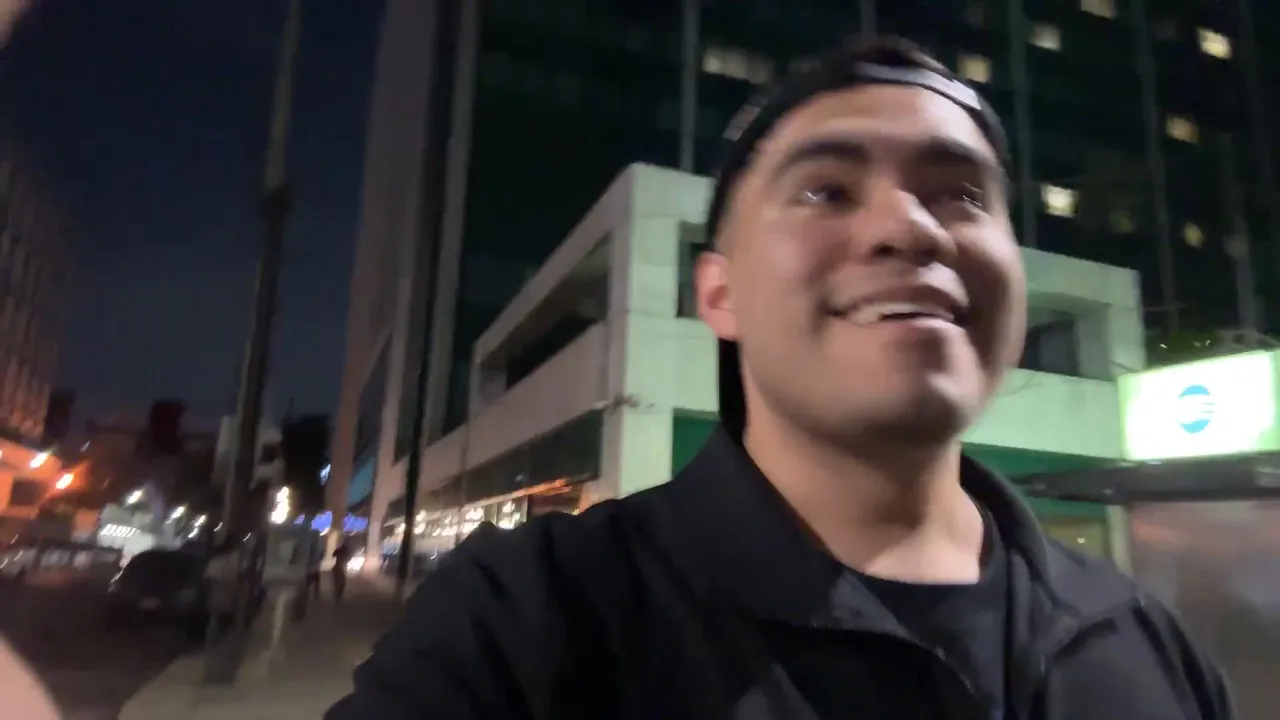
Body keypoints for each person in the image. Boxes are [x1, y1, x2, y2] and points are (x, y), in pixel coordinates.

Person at [327, 37, 1234, 719]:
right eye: (826, 190)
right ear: (718, 294)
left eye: (960, 193)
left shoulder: (1147, 641)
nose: (912, 229)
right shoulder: (530, 626)